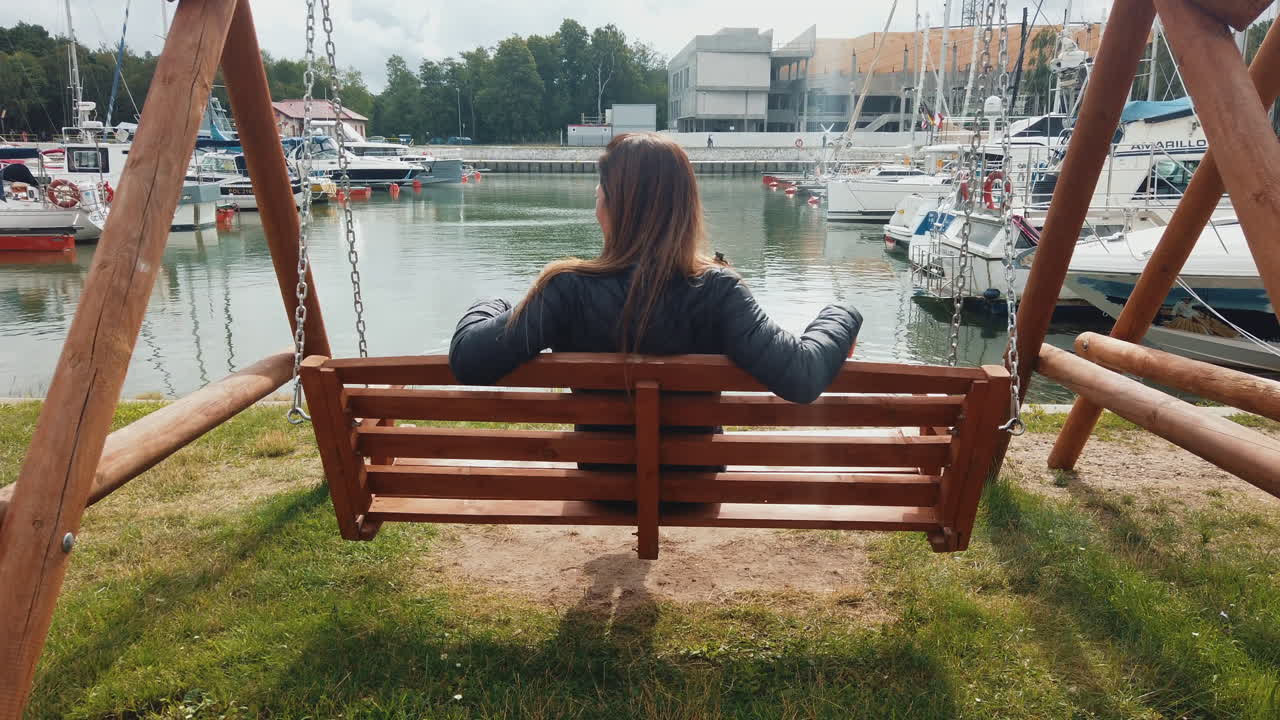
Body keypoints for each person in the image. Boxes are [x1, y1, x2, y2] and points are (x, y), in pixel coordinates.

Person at [449, 132, 861, 406]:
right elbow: (803, 376)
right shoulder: (720, 291)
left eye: (599, 194)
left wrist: (493, 303)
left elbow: (469, 360)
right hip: (693, 490)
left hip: (602, 485)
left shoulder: (565, 290)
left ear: (612, 209)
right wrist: (842, 314)